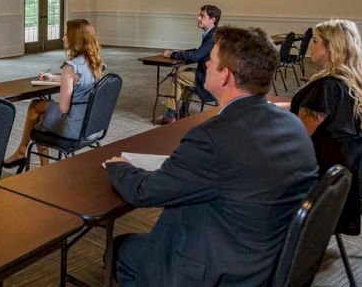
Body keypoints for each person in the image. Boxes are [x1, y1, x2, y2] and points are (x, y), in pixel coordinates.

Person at [104, 26, 318, 287]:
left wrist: (120, 167)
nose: (205, 62)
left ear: (226, 75)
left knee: (120, 250)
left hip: (216, 270)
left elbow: (145, 192)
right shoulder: (293, 125)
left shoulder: (212, 137)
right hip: (268, 258)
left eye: (211, 60)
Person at [290, 19, 362, 235]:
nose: (311, 45)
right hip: (342, 170)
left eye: (316, 41)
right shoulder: (346, 81)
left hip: (318, 171)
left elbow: (297, 138)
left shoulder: (325, 88)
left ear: (331, 48)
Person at [2, 19, 104, 170]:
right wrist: (55, 78)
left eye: (65, 35)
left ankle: (28, 156)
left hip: (74, 129)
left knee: (37, 111)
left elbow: (63, 108)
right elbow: (79, 81)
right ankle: (25, 154)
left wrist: (62, 85)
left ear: (75, 38)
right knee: (40, 108)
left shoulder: (70, 68)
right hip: (92, 127)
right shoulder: (96, 64)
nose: (63, 38)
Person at [158, 5, 220, 124]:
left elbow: (196, 56)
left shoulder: (213, 36)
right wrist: (184, 52)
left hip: (211, 79)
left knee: (177, 78)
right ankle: (183, 112)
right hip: (216, 76)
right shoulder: (214, 33)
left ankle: (170, 116)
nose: (198, 18)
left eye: (202, 16)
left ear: (212, 20)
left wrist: (172, 54)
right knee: (188, 72)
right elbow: (201, 52)